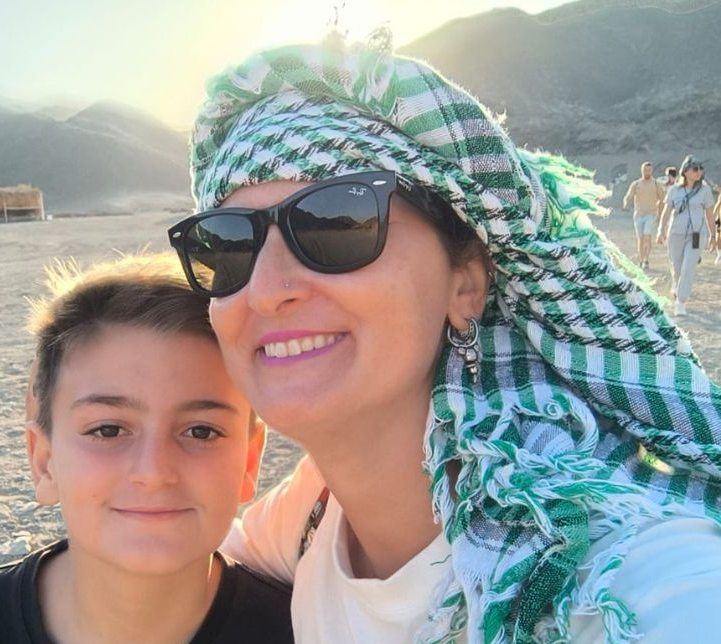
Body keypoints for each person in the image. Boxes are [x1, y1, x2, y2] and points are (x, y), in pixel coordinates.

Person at [168, 42, 721, 643]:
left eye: (336, 224)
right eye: (229, 244)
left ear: (466, 285)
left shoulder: (626, 583)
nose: (266, 290)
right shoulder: (314, 509)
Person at [0, 255, 293, 643]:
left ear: (249, 461)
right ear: (44, 460)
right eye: (108, 430)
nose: (153, 472)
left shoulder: (301, 629)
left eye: (201, 431)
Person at [657, 156, 717, 315]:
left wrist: (713, 235)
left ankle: (681, 302)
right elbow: (666, 212)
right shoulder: (674, 191)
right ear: (685, 171)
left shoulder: (705, 191)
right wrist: (660, 230)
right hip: (676, 234)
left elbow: (709, 215)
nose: (699, 172)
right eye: (695, 169)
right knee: (677, 269)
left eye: (700, 169)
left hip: (697, 235)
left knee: (688, 267)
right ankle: (677, 288)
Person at [622, 161, 664, 269]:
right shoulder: (636, 184)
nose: (647, 172)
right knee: (640, 239)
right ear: (642, 171)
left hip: (651, 215)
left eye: (649, 170)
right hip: (638, 215)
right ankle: (641, 260)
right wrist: (626, 203)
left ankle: (646, 260)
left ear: (652, 171)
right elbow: (628, 196)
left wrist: (660, 214)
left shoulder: (656, 184)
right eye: (645, 170)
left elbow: (663, 199)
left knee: (647, 237)